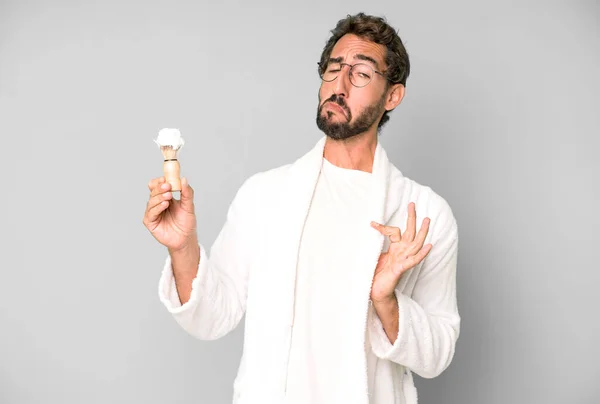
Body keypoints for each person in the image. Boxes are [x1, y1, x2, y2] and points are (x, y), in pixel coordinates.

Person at [143, 12, 460, 404]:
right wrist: (182, 246)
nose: (340, 84)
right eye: (333, 68)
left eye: (361, 73)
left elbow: (438, 352)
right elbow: (211, 315)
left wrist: (385, 299)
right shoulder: (264, 195)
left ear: (392, 95)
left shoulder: (423, 213)